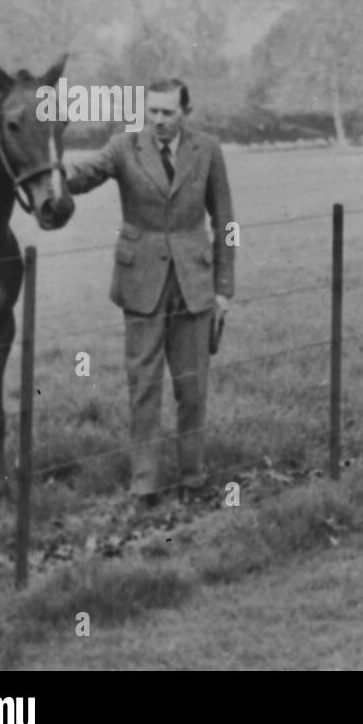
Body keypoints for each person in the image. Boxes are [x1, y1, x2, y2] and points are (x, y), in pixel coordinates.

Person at [66, 79, 235, 507]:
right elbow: (86, 175)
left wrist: (224, 288)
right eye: (152, 111)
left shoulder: (208, 150)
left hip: (194, 286)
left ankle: (194, 478)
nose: (158, 120)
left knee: (192, 388)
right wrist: (52, 172)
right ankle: (146, 485)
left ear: (185, 112)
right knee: (143, 386)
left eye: (168, 112)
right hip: (141, 285)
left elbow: (227, 221)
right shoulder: (124, 147)